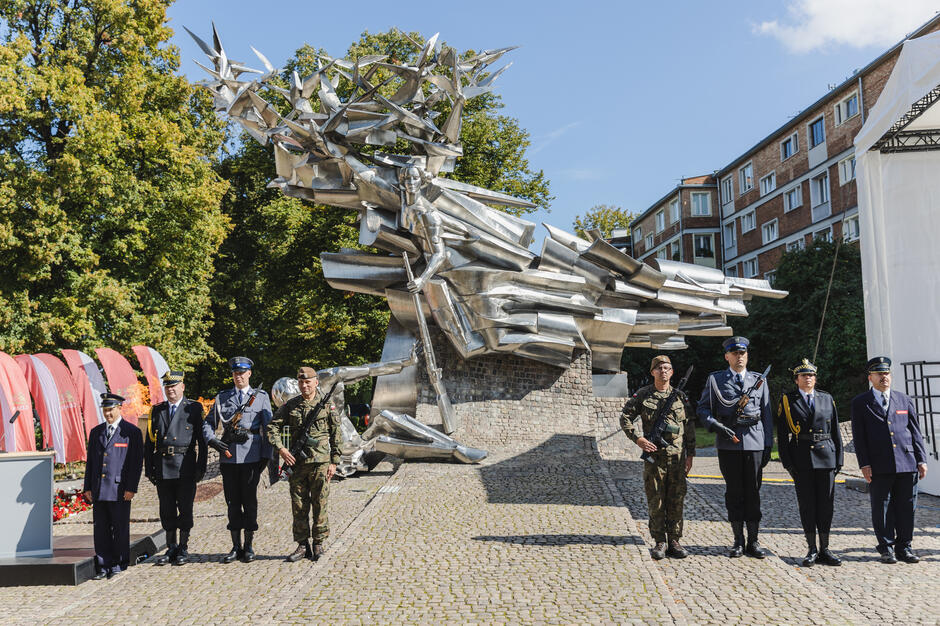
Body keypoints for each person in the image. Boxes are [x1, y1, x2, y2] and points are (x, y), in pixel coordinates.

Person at [697, 336, 773, 558]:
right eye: (735, 353)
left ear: (747, 355)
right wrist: (717, 427)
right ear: (727, 356)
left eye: (743, 353)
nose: (739, 357)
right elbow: (703, 410)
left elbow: (766, 414)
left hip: (755, 442)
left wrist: (768, 444)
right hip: (729, 445)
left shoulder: (759, 380)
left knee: (753, 492)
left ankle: (754, 541)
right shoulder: (715, 380)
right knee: (734, 492)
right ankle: (738, 540)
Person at [850, 356, 929, 564]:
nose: (884, 377)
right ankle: (886, 548)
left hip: (906, 461)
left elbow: (915, 432)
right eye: (879, 374)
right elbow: (859, 437)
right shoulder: (861, 403)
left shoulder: (904, 400)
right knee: (882, 506)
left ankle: (905, 547)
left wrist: (921, 459)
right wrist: (864, 464)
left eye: (886, 373)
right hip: (879, 464)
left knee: (906, 506)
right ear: (870, 377)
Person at [620, 355, 695, 560]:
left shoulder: (680, 397)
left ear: (672, 372)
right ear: (653, 371)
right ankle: (659, 541)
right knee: (656, 500)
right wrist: (639, 439)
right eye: (659, 368)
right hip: (655, 459)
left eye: (667, 368)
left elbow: (689, 427)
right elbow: (625, 417)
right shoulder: (644, 395)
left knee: (676, 500)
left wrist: (691, 455)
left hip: (677, 459)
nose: (663, 371)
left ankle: (675, 540)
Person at [204, 356, 273, 563]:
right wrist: (212, 440)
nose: (239, 376)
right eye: (235, 373)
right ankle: (235, 546)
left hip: (252, 456)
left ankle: (249, 546)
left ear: (249, 374)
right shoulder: (222, 397)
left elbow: (269, 428)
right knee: (232, 503)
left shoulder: (260, 397)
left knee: (250, 502)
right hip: (229, 457)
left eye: (242, 373)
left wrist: (266, 456)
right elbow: (208, 423)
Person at [268, 366, 341, 562]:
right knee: (299, 505)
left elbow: (336, 434)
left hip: (320, 463)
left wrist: (334, 461)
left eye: (308, 381)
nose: (304, 385)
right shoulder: (291, 405)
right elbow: (272, 428)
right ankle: (302, 546)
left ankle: (318, 543)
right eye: (301, 382)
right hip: (298, 464)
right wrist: (281, 449)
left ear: (316, 382)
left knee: (320, 503)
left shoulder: (327, 405)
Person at [777, 359, 842, 567]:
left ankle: (825, 548)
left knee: (826, 505)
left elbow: (836, 432)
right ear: (796, 380)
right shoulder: (788, 400)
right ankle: (812, 548)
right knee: (807, 506)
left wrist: (839, 459)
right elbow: (782, 433)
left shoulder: (826, 398)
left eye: (811, 375)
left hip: (826, 457)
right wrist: (788, 462)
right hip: (802, 459)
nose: (808, 379)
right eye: (804, 376)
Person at [144, 370, 207, 566]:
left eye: (174, 386)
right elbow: (149, 443)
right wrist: (149, 469)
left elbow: (202, 442)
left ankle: (183, 547)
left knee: (185, 509)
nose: (170, 390)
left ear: (182, 387)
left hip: (185, 466)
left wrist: (200, 468)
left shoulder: (194, 409)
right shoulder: (157, 410)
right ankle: (171, 547)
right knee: (167, 509)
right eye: (167, 386)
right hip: (163, 466)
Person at [83, 393, 143, 579]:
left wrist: (131, 487)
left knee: (119, 527)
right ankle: (103, 565)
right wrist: (88, 487)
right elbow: (91, 462)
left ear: (119, 408)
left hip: (119, 490)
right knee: (100, 529)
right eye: (105, 409)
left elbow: (135, 463)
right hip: (99, 489)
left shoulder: (131, 432)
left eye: (111, 409)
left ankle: (119, 562)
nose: (108, 413)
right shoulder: (96, 432)